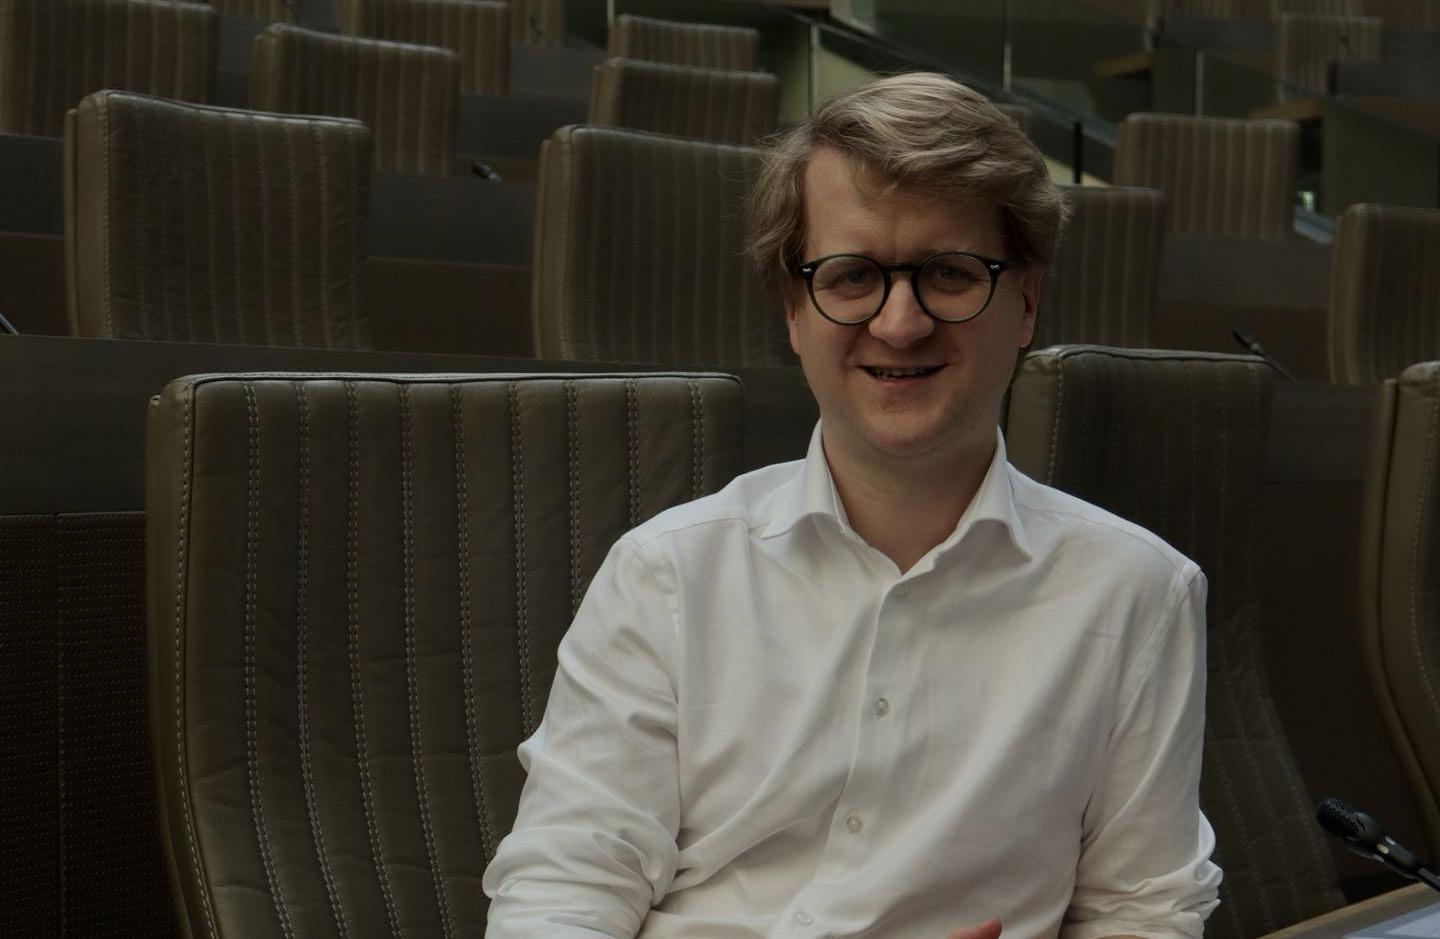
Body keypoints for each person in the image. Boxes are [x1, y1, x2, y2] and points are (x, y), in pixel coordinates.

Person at [483, 72, 1221, 938]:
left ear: (1025, 301)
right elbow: (561, 893)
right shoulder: (666, 575)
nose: (900, 323)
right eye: (852, 275)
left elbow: (1145, 911)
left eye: (950, 273)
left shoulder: (1141, 594)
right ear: (794, 309)